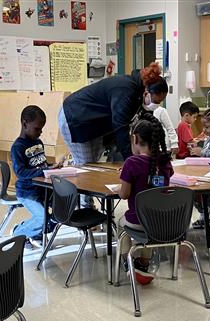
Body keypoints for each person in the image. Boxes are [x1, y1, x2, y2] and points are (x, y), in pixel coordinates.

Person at [59, 62, 168, 165]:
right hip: (75, 117)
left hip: (95, 122)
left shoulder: (140, 95)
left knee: (94, 162)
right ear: (147, 91)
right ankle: (69, 175)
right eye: (156, 101)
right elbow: (120, 126)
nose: (156, 105)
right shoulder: (126, 90)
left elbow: (146, 125)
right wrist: (130, 161)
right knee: (85, 165)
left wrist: (156, 152)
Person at [118, 112, 173, 285]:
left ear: (134, 139)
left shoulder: (131, 163)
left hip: (137, 220)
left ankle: (128, 264)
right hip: (161, 221)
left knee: (120, 224)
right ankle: (143, 263)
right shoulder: (165, 163)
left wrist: (125, 180)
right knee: (149, 231)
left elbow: (124, 194)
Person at [10, 105, 59, 248]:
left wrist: (52, 166)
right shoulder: (17, 147)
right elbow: (21, 173)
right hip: (27, 192)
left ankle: (36, 233)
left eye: (42, 128)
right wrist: (45, 170)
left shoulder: (38, 143)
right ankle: (19, 232)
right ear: (25, 124)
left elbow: (40, 165)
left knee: (62, 209)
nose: (40, 132)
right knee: (42, 219)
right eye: (37, 128)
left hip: (43, 189)